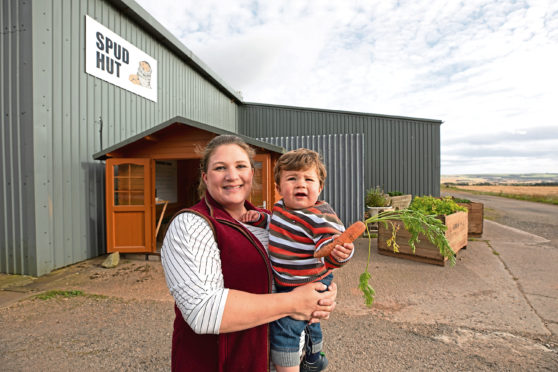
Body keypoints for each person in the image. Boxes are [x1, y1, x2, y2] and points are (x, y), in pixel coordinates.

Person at [161, 135, 351, 372]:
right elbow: (203, 310)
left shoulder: (271, 222)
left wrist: (322, 293)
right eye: (220, 168)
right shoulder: (191, 224)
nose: (232, 175)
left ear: (252, 173)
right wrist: (295, 302)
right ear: (205, 177)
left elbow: (301, 263)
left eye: (240, 166)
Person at [240, 148, 354, 372]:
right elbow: (276, 224)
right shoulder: (281, 208)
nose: (301, 184)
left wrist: (338, 252)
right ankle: (314, 356)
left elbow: (329, 242)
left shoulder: (320, 216)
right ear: (278, 188)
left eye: (308, 179)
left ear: (320, 188)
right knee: (310, 322)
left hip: (310, 280)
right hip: (289, 279)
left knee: (285, 327)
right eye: (292, 178)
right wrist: (260, 217)